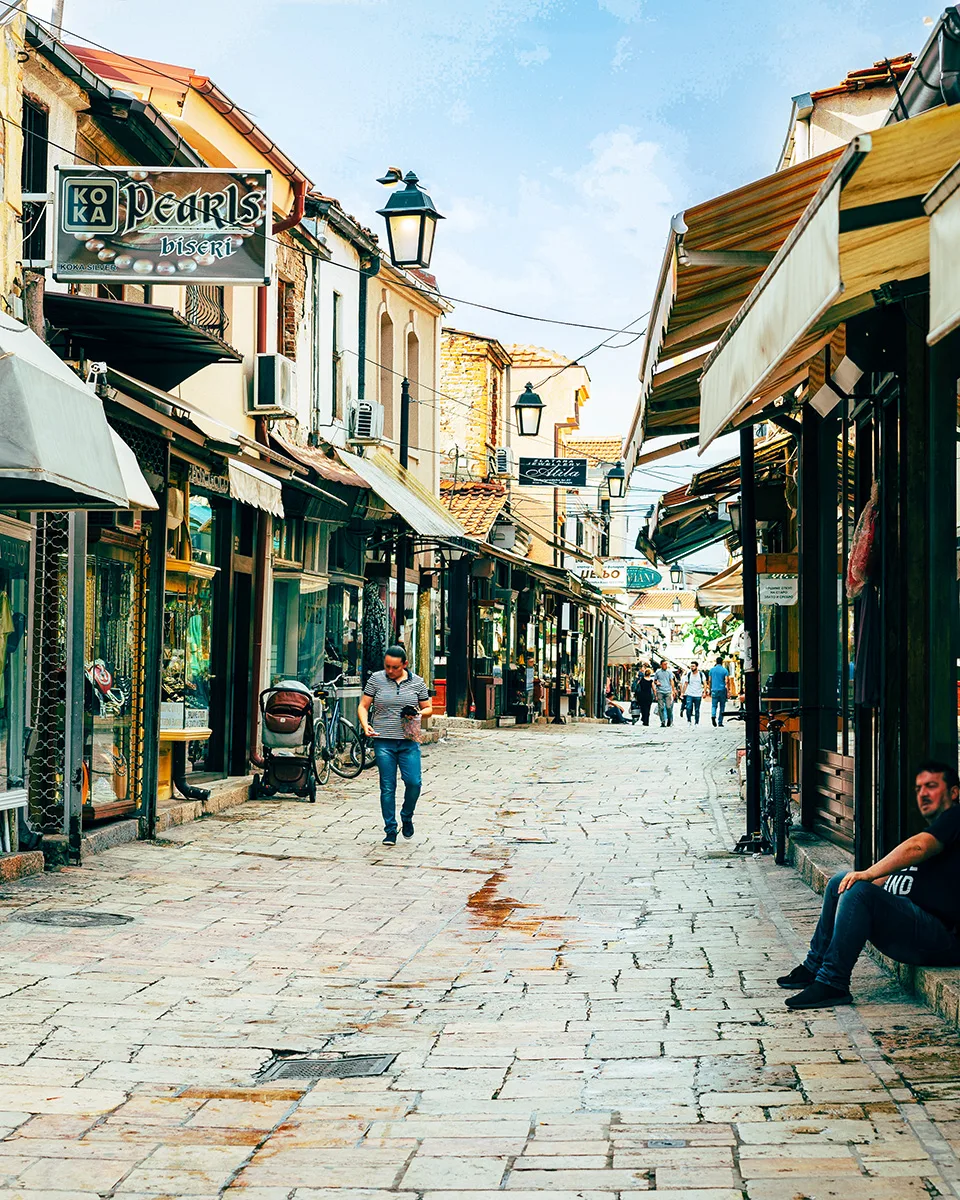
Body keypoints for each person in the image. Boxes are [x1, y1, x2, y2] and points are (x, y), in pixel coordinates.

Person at [778, 761, 960, 1010]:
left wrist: (867, 874)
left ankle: (833, 983)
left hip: (942, 936)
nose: (923, 794)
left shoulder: (956, 818)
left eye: (931, 786)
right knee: (839, 882)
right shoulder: (940, 830)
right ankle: (815, 967)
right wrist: (866, 878)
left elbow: (918, 847)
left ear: (954, 793)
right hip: (914, 924)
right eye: (919, 789)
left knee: (859, 890)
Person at [358, 645, 432, 846]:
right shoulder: (376, 679)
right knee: (387, 786)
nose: (390, 671)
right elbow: (363, 706)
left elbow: (428, 709)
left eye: (395, 667)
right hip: (383, 741)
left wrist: (417, 712)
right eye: (387, 666)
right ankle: (390, 829)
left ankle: (406, 816)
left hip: (408, 741)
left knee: (414, 782)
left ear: (405, 664)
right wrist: (366, 725)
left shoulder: (417, 683)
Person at [653, 659, 675, 727]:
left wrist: (673, 690)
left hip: (668, 691)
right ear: (661, 665)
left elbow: (671, 681)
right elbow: (655, 680)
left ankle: (669, 720)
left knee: (668, 707)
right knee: (661, 707)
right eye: (664, 664)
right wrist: (657, 683)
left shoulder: (669, 672)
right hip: (660, 691)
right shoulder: (658, 672)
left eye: (666, 664)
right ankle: (662, 721)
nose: (666, 665)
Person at [709, 657, 729, 726]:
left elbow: (710, 680)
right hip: (722, 690)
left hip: (714, 690)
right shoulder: (725, 670)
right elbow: (726, 681)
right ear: (722, 662)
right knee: (722, 706)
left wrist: (709, 689)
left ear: (716, 662)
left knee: (714, 705)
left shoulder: (711, 670)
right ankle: (720, 722)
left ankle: (713, 715)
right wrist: (728, 692)